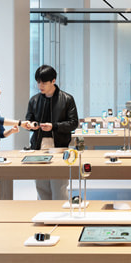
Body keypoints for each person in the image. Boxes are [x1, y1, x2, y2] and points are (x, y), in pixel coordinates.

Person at [22, 65, 79, 201]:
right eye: (38, 82)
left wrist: (53, 126)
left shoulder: (67, 99)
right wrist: (30, 125)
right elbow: (28, 121)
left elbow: (73, 123)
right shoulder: (34, 100)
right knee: (41, 187)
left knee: (59, 185)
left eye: (44, 82)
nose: (40, 85)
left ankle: (61, 216)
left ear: (53, 81)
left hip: (59, 147)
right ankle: (44, 215)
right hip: (38, 147)